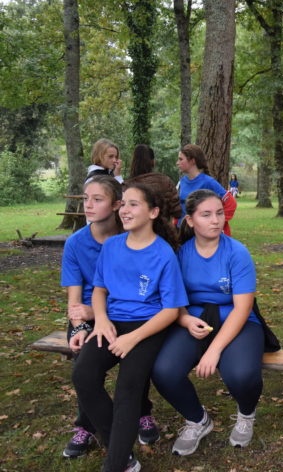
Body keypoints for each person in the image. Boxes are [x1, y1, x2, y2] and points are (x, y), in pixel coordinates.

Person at [71, 183, 188, 472]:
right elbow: (99, 290)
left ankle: (115, 465)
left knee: (128, 389)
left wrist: (132, 338)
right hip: (111, 322)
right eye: (123, 204)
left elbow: (171, 310)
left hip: (148, 327)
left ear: (153, 212)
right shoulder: (112, 246)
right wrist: (101, 320)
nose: (125, 209)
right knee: (83, 374)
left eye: (134, 204)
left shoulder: (163, 254)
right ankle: (122, 453)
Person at [152, 189, 265, 455]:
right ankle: (197, 420)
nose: (216, 220)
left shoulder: (237, 252)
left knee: (242, 375)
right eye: (206, 215)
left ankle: (246, 414)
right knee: (164, 371)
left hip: (237, 321)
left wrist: (214, 351)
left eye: (219, 213)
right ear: (190, 220)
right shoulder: (179, 253)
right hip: (193, 321)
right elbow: (171, 300)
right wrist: (185, 319)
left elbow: (242, 308)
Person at [60, 176, 160, 458]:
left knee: (134, 352)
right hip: (89, 315)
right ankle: (88, 426)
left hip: (125, 309)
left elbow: (139, 291)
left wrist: (99, 311)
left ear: (117, 205)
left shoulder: (131, 233)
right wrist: (80, 325)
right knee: (84, 361)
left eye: (97, 199)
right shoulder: (75, 244)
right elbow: (74, 300)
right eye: (85, 198)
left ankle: (141, 412)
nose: (88, 205)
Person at [177, 144, 236, 235]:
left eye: (181, 159)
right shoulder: (182, 182)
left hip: (201, 235)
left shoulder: (208, 182)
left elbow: (231, 203)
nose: (177, 163)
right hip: (183, 233)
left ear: (192, 161)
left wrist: (218, 221)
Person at [129, 144, 182, 222]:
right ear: (153, 161)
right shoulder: (165, 181)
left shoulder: (128, 186)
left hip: (136, 229)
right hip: (161, 229)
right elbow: (177, 211)